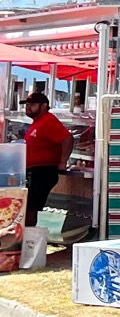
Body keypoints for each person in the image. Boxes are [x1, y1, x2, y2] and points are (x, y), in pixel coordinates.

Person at [21, 91, 73, 229]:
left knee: (31, 206)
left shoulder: (48, 120)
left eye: (32, 104)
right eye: (27, 104)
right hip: (33, 170)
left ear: (44, 106)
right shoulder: (37, 122)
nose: (28, 107)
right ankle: (25, 237)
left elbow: (67, 138)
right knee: (27, 205)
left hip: (41, 170)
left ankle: (28, 237)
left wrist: (63, 161)